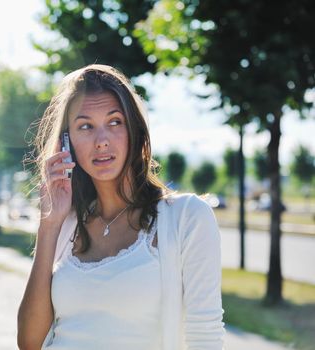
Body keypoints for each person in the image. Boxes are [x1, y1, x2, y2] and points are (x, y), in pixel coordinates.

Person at [17, 64, 225, 350]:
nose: (101, 141)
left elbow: (206, 337)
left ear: (135, 131)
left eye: (115, 122)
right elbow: (30, 342)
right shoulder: (65, 224)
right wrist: (49, 225)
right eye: (85, 126)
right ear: (68, 143)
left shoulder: (187, 217)